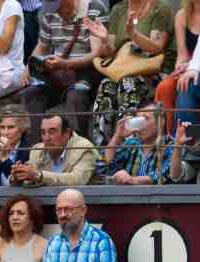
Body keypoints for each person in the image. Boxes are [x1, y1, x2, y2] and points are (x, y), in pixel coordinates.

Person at [85, 0, 175, 146]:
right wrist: (104, 39)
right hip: (124, 68)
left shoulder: (160, 8)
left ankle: (129, 145)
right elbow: (111, 51)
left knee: (127, 83)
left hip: (153, 72)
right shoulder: (118, 9)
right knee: (105, 84)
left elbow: (157, 47)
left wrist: (134, 34)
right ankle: (104, 148)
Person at [16, 0, 107, 138]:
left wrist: (65, 63)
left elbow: (96, 53)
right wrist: (29, 67)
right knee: (29, 95)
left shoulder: (94, 8)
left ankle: (78, 149)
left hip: (86, 73)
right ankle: (37, 151)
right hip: (58, 73)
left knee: (75, 96)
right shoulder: (48, 12)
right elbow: (42, 46)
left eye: (59, 7)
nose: (56, 11)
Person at [103, 101, 187, 183]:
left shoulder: (172, 145)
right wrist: (117, 136)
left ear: (161, 121)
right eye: (138, 119)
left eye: (146, 119)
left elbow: (163, 176)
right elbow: (108, 163)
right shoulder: (132, 143)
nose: (141, 124)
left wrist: (131, 180)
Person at [9, 112, 99, 186]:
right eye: (43, 132)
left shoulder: (84, 148)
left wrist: (39, 175)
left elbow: (77, 180)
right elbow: (31, 181)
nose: (46, 138)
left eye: (52, 132)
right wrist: (18, 177)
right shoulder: (37, 150)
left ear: (66, 133)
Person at [41, 188, 116, 262]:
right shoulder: (53, 242)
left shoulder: (101, 241)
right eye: (59, 210)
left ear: (83, 210)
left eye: (68, 209)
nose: (62, 215)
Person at [155, 0, 199, 132]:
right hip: (190, 65)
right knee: (165, 87)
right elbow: (182, 54)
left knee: (186, 84)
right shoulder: (182, 15)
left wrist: (192, 67)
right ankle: (167, 137)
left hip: (195, 67)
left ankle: (183, 140)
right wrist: (181, 66)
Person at [0, 193, 48, 262]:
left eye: (21, 213)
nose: (14, 217)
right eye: (11, 213)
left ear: (33, 218)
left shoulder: (45, 245)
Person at [0, 103, 32, 186]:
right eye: (2, 127)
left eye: (11, 127)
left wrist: (5, 160)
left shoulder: (30, 152)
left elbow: (17, 181)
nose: (5, 133)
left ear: (22, 128)